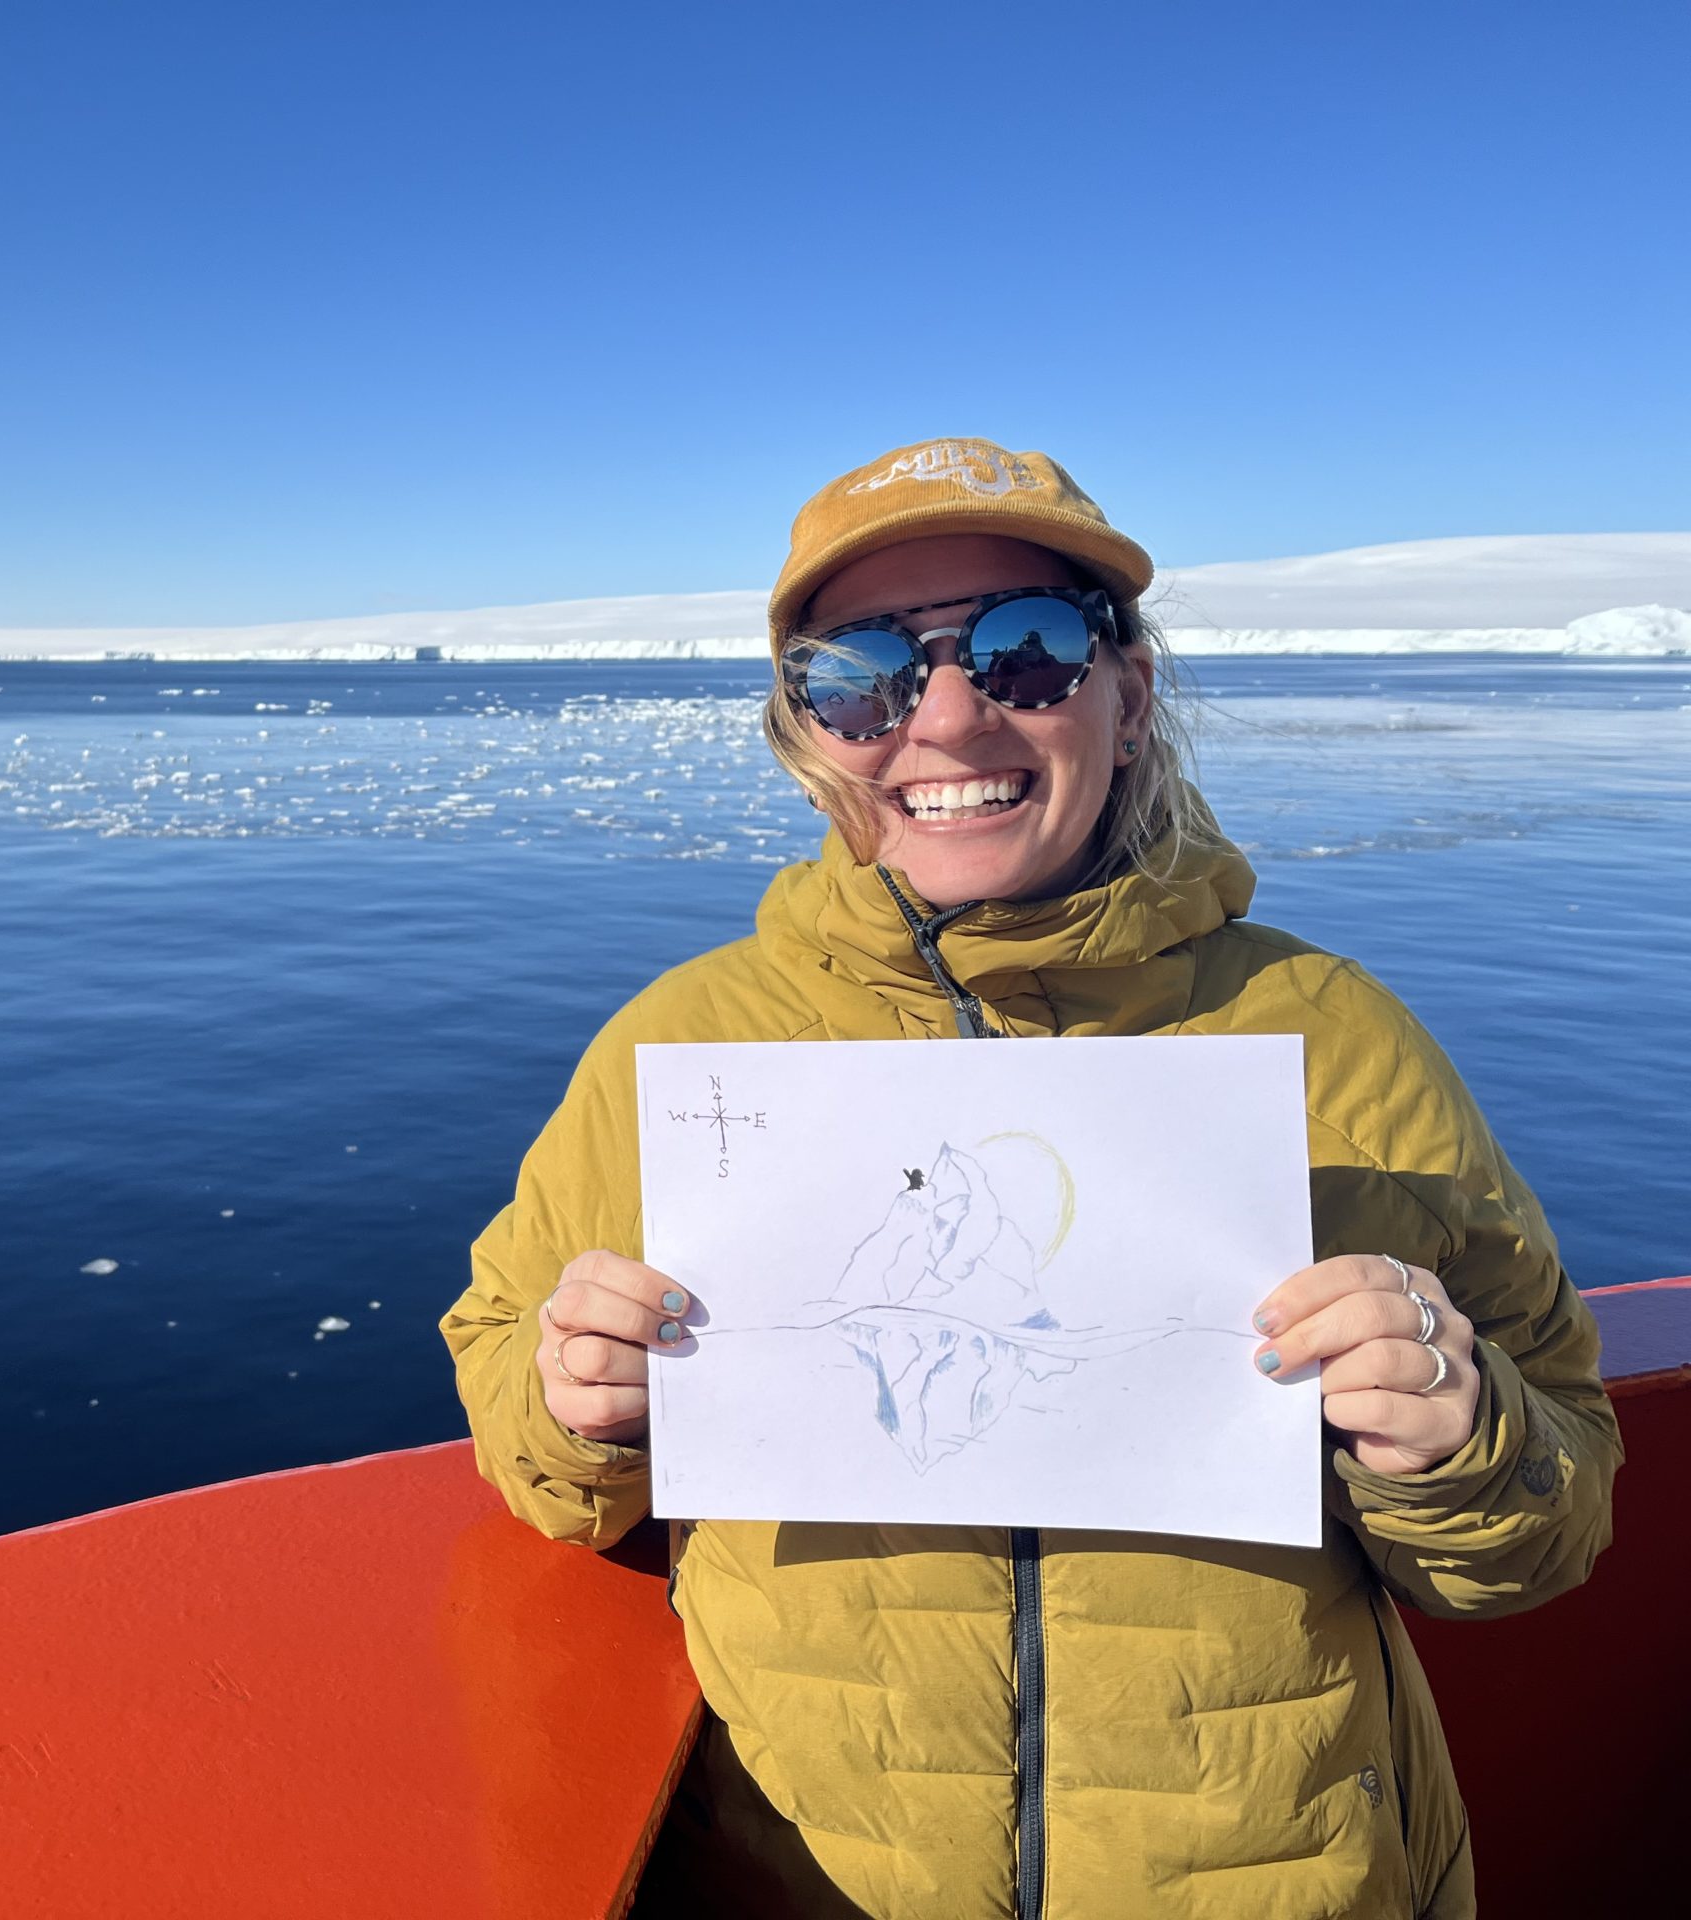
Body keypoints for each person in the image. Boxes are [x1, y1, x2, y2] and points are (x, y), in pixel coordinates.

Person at [438, 438, 1619, 1920]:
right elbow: (506, 1374)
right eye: (861, 670)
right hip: (816, 1877)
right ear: (807, 728)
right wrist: (574, 1406)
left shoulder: (1331, 1037)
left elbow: (1553, 1504)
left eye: (1026, 650)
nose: (943, 716)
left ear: (1126, 698)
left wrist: (1456, 1430)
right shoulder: (689, 1048)